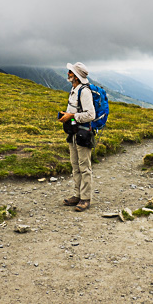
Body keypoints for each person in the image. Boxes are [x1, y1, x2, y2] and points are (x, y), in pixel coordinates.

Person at [58, 62, 95, 212]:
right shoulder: (74, 90)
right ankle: (77, 195)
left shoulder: (84, 92)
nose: (68, 74)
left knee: (84, 167)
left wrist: (72, 116)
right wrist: (67, 117)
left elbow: (90, 115)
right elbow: (75, 114)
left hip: (83, 134)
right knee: (75, 165)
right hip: (74, 133)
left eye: (70, 72)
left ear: (76, 76)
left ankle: (85, 199)